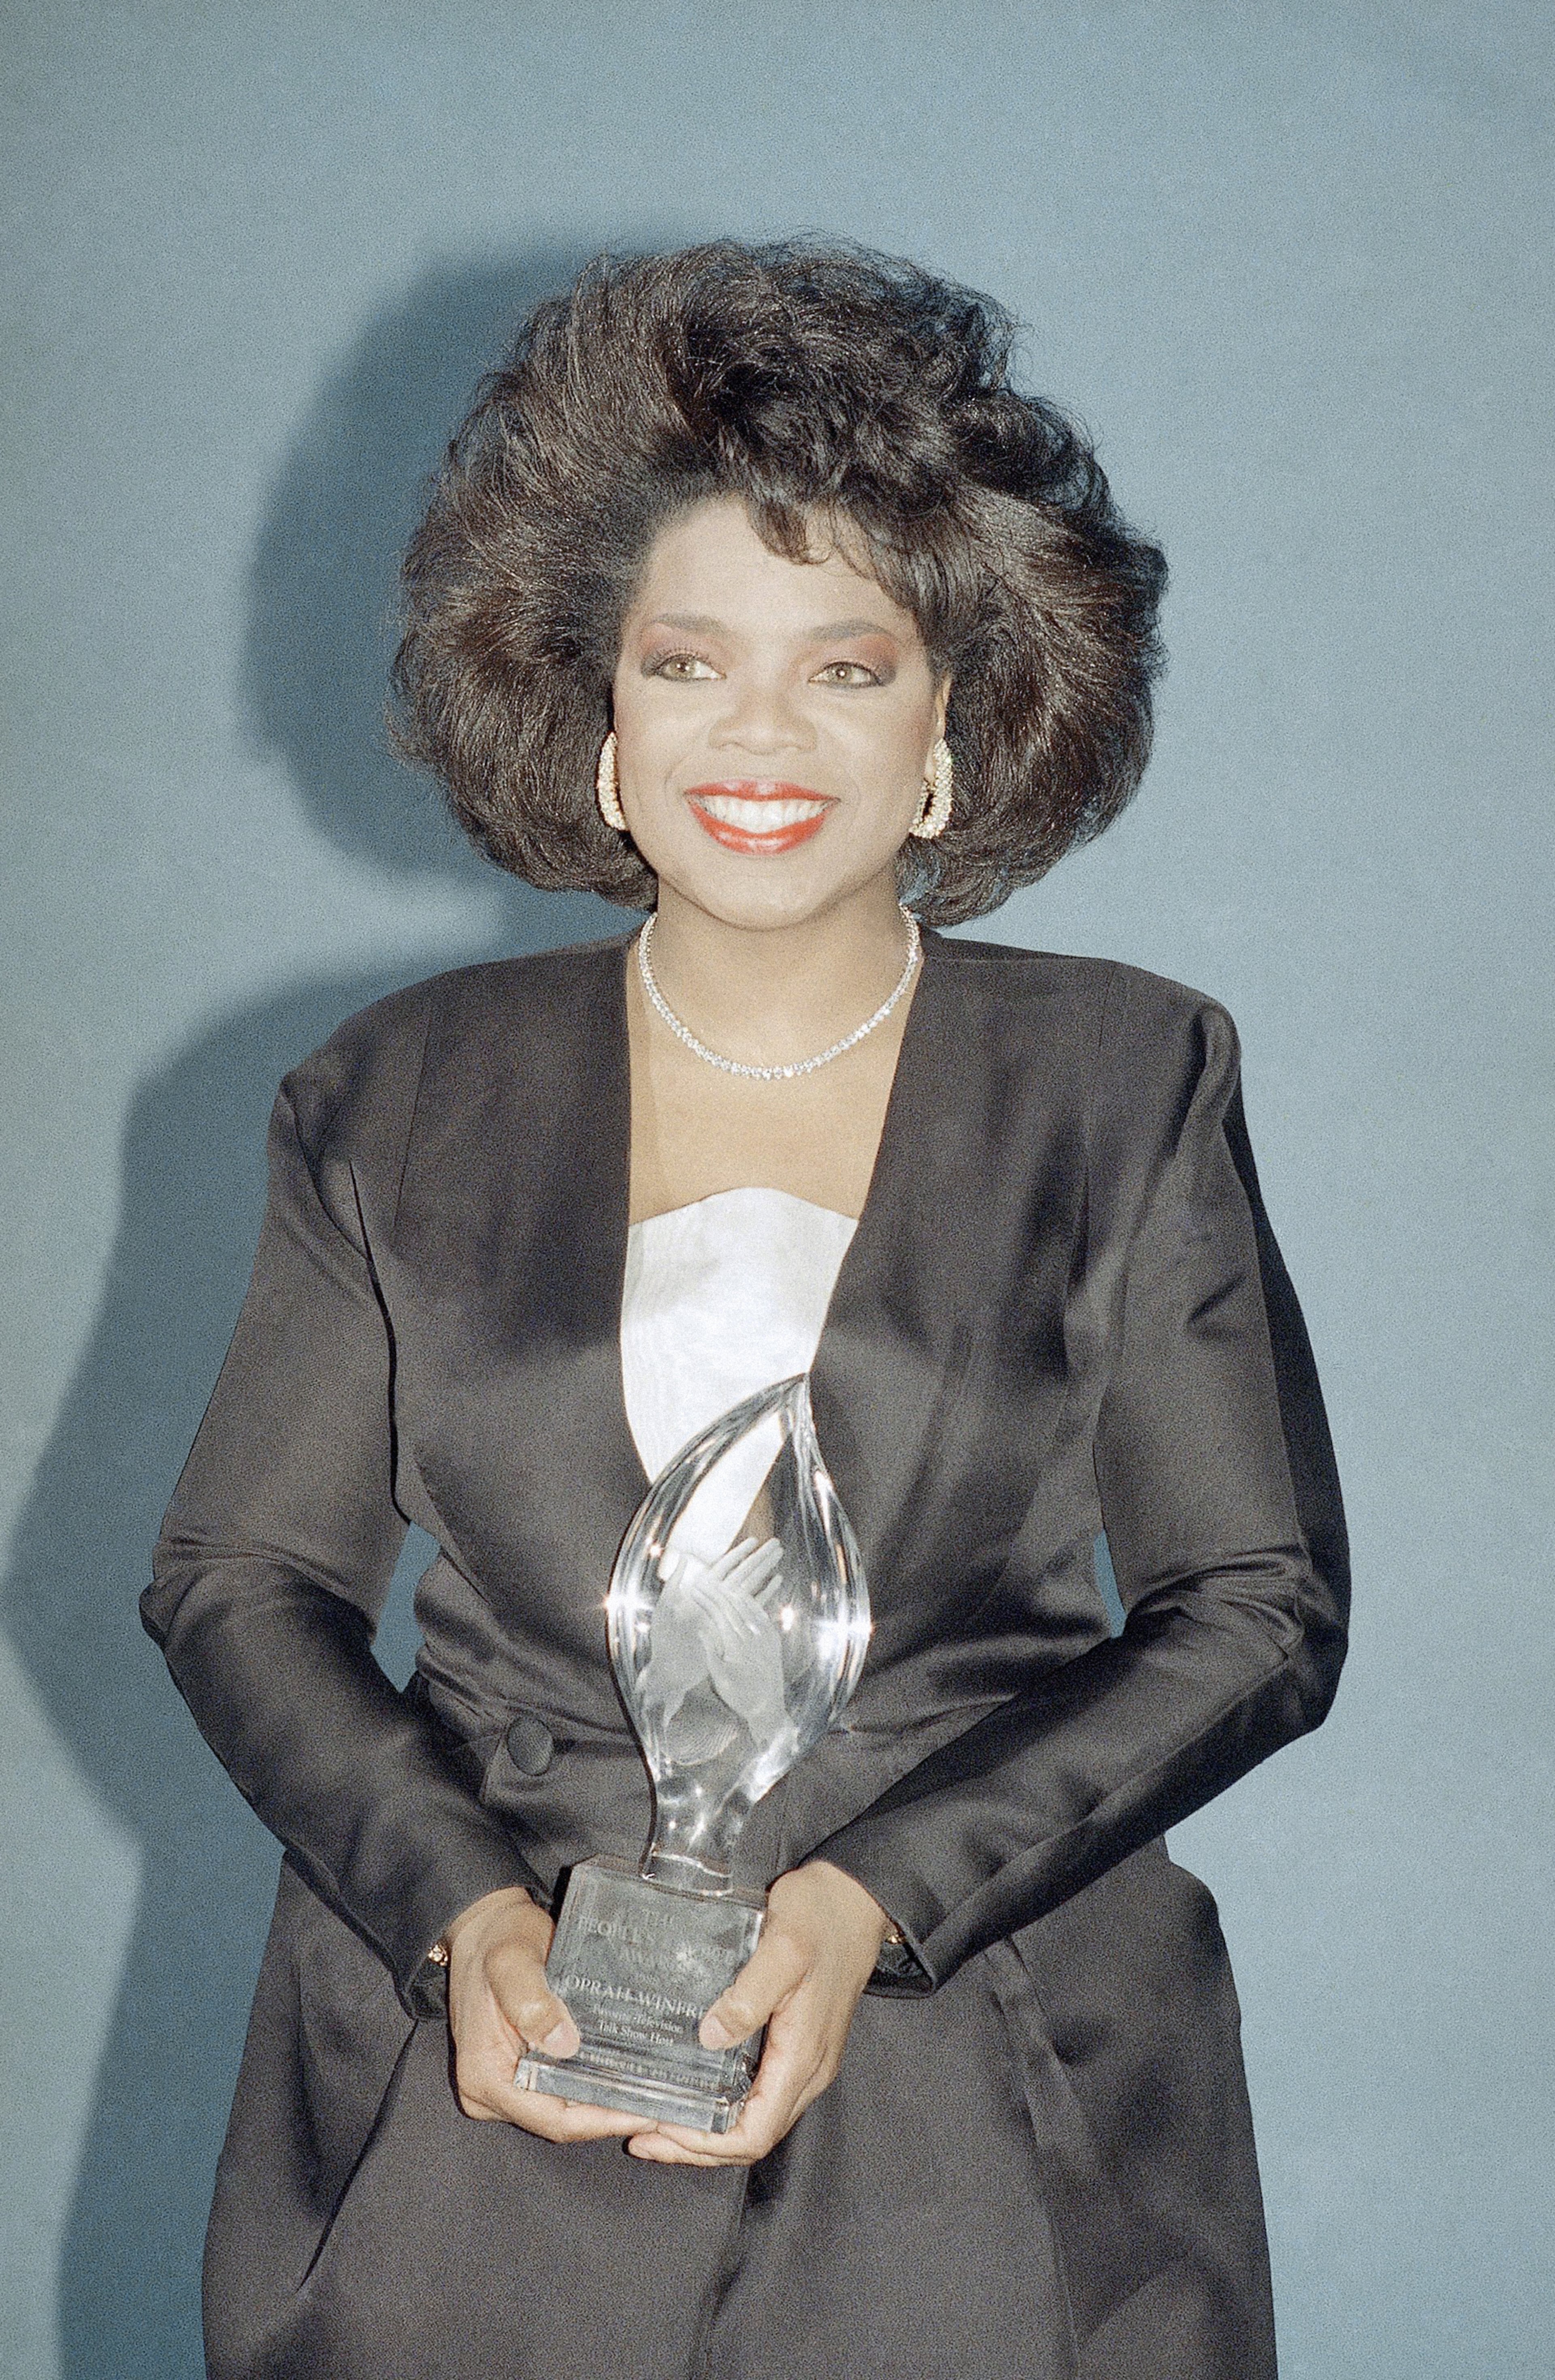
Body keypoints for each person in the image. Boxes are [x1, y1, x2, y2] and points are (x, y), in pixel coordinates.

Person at [144, 240, 1348, 2380]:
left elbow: (1254, 1597)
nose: (760, 733)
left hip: (990, 2086)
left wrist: (871, 1893)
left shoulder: (1133, 1078)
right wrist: (465, 1916)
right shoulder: (387, 1096)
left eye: (848, 665)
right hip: (485, 2089)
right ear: (593, 720)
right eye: (688, 663)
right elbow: (240, 1575)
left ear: (955, 731)